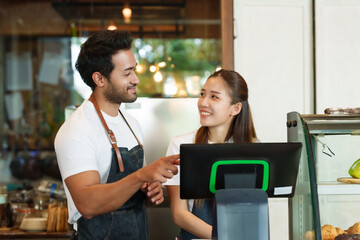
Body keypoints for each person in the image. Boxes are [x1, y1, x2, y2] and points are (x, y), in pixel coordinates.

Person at [54, 30, 179, 240]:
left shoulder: (131, 124)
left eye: (135, 70)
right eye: (127, 73)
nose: (136, 79)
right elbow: (87, 204)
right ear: (99, 78)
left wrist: (150, 187)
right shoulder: (76, 129)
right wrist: (141, 175)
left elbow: (135, 183)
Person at [164, 69, 257, 240]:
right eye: (202, 94)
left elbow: (253, 210)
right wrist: (223, 238)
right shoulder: (181, 145)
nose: (203, 102)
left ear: (235, 108)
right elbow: (179, 214)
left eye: (214, 97)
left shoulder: (254, 150)